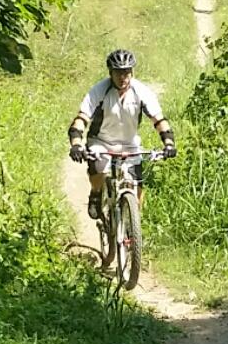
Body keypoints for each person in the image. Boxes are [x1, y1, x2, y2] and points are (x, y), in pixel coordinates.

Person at [68, 49, 177, 219]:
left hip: (129, 144)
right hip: (101, 142)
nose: (123, 77)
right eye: (118, 72)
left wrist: (168, 144)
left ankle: (132, 232)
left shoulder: (141, 91)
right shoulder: (99, 91)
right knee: (100, 170)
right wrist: (76, 144)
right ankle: (96, 194)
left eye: (127, 72)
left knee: (138, 191)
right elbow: (81, 119)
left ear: (132, 72)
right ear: (110, 73)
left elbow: (159, 120)